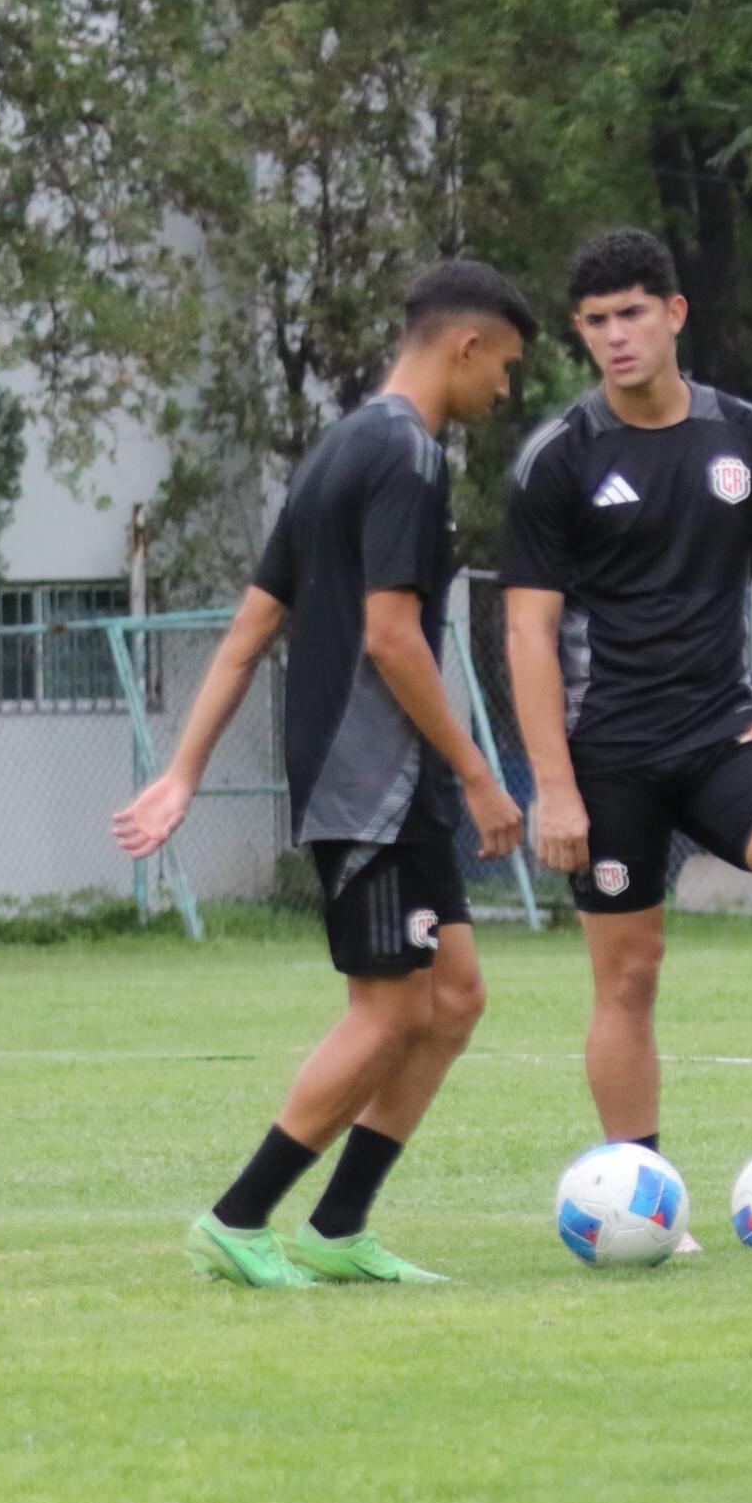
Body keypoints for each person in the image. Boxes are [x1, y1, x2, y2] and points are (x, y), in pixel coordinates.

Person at [118, 261, 536, 1286]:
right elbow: (395, 640)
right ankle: (238, 1214)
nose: (508, 392)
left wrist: (182, 772)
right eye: (510, 368)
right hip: (371, 774)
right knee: (388, 1007)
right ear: (465, 346)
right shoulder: (404, 456)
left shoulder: (338, 448)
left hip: (391, 776)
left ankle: (339, 1225)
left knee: (455, 997)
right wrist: (480, 773)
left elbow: (251, 629)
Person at [503, 230, 752, 1222]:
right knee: (627, 974)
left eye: (631, 313)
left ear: (674, 314)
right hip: (609, 754)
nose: (614, 337)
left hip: (725, 729)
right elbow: (529, 634)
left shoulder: (747, 436)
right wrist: (552, 785)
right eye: (594, 322)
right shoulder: (560, 457)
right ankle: (643, 1196)